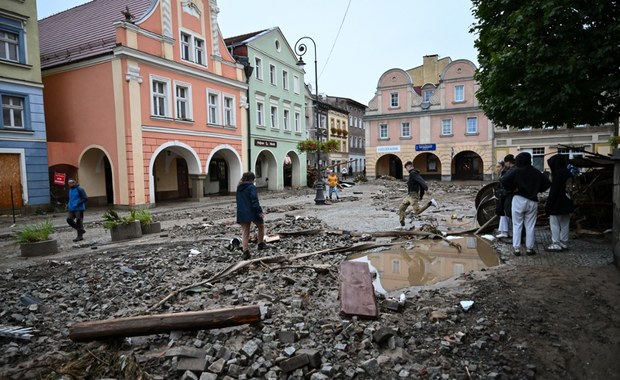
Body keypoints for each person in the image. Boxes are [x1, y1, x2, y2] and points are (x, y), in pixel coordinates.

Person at [500, 152, 551, 256]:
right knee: (530, 226)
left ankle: (517, 249)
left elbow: (504, 180)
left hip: (518, 199)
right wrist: (537, 189)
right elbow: (547, 183)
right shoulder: (536, 171)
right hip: (532, 201)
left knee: (517, 224)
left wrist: (512, 188)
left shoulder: (516, 171)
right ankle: (529, 249)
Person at [545, 154, 574, 251]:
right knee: (565, 223)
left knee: (554, 223)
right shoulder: (568, 173)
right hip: (567, 202)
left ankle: (556, 243)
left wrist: (548, 205)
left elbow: (554, 191)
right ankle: (564, 242)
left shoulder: (558, 174)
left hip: (557, 203)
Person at [236, 172, 266, 260]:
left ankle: (245, 251)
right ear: (251, 179)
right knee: (261, 226)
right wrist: (260, 211)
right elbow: (254, 200)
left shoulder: (239, 188)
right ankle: (260, 244)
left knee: (245, 231)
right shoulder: (251, 187)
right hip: (252, 211)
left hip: (242, 211)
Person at [398, 161, 438, 227]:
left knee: (417, 211)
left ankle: (431, 203)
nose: (406, 170)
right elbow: (420, 184)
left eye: (406, 168)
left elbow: (421, 181)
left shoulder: (413, 173)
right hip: (409, 195)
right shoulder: (413, 174)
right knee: (401, 208)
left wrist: (426, 189)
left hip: (413, 195)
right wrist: (421, 195)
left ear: (409, 166)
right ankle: (402, 225)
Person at [495, 154, 516, 239]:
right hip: (504, 195)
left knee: (507, 213)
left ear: (504, 166)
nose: (497, 168)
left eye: (499, 166)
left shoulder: (506, 173)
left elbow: (505, 186)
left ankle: (507, 231)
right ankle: (505, 231)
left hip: (506, 196)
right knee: (503, 213)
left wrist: (502, 192)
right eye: (497, 167)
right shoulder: (503, 173)